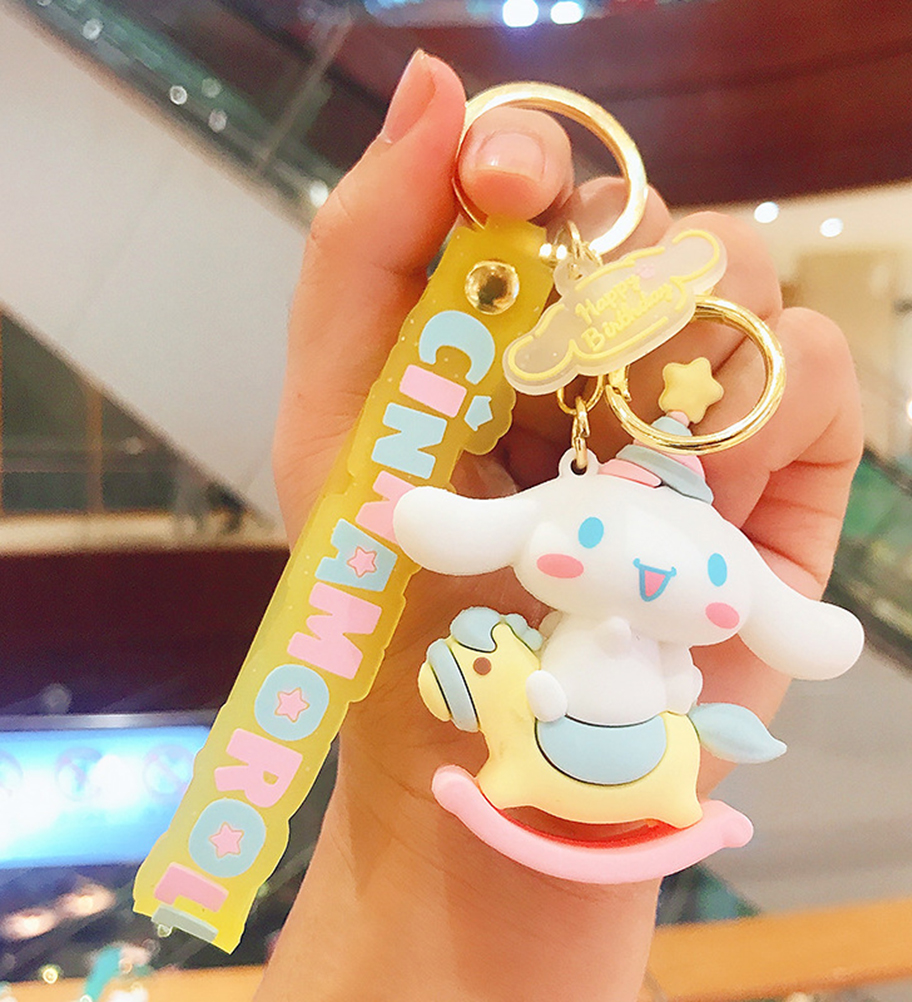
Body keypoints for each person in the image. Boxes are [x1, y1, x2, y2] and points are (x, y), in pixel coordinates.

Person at [258, 51, 862, 1002]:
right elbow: (450, 530)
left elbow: (771, 632)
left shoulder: (672, 609)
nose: (655, 581)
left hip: (634, 767)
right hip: (531, 743)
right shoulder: (571, 524)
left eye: (708, 581)